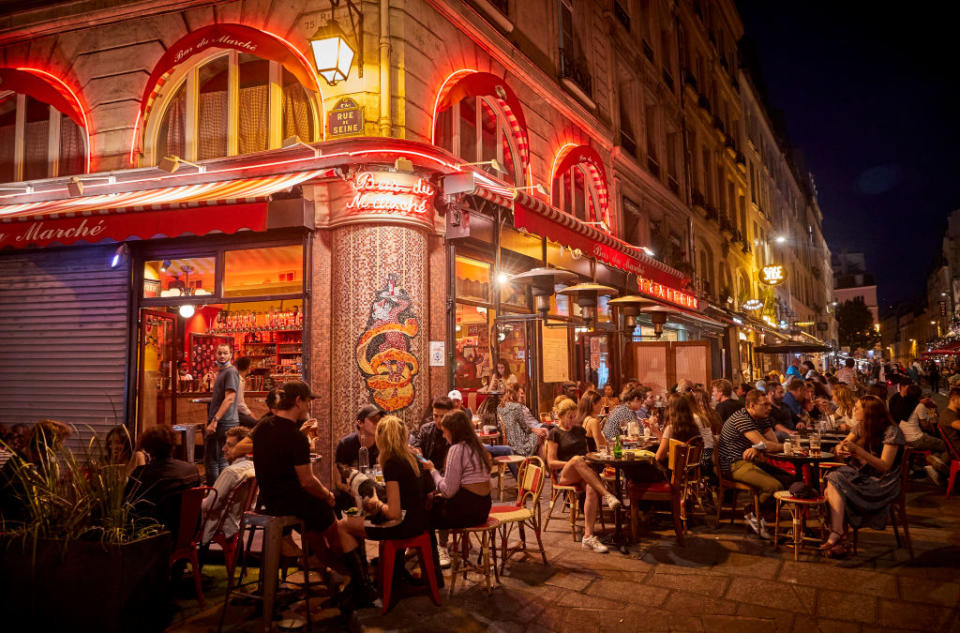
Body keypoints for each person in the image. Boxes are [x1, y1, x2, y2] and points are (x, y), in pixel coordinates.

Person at [251, 382, 360, 602]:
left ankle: (322, 562)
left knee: (315, 523)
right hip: (292, 501)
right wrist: (327, 495)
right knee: (333, 514)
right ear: (299, 400)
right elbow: (308, 482)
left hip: (270, 499)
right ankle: (353, 573)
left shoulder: (262, 427)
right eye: (308, 400)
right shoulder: (296, 436)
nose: (310, 404)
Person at [338, 415, 428, 604]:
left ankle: (362, 586)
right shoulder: (412, 457)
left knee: (343, 526)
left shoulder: (392, 463)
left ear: (382, 438)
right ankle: (369, 578)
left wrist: (376, 504)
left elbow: (393, 513)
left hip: (402, 526)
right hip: (419, 522)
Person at [821, 395, 906, 557]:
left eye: (858, 407)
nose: (854, 409)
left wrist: (858, 451)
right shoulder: (861, 426)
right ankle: (840, 534)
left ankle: (839, 535)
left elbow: (884, 466)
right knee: (834, 478)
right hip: (864, 475)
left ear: (869, 412)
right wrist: (840, 448)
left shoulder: (892, 431)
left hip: (882, 483)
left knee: (835, 486)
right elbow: (844, 443)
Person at [546, 397, 621, 553]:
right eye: (570, 417)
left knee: (592, 489)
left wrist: (587, 460)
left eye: (575, 416)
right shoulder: (554, 433)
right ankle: (607, 494)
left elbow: (586, 453)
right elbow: (551, 463)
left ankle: (588, 536)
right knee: (576, 459)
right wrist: (574, 463)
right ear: (560, 416)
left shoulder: (580, 430)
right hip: (565, 474)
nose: (573, 420)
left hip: (583, 470)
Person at [423, 410, 493, 566]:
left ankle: (431, 562)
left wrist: (432, 470)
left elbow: (448, 491)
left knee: (423, 515)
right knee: (432, 504)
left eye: (445, 432)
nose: (443, 436)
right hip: (483, 508)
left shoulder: (457, 449)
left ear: (453, 431)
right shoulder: (477, 447)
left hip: (467, 511)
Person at [718, 390, 789, 537]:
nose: (769, 408)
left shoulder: (762, 417)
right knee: (773, 486)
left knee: (789, 481)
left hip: (748, 460)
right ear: (751, 405)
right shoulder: (742, 418)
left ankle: (762, 515)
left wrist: (757, 448)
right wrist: (788, 446)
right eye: (765, 405)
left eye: (769, 404)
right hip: (733, 464)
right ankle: (753, 513)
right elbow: (769, 445)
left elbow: (772, 443)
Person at [128, 425, 201, 536]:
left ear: (148, 449)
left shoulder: (142, 474)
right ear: (172, 445)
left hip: (154, 536)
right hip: (189, 532)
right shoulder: (191, 470)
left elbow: (128, 505)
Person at [201, 426, 255, 544]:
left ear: (242, 448)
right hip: (238, 521)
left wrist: (197, 502)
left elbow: (210, 505)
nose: (223, 449)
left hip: (220, 524)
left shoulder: (231, 472)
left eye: (230, 445)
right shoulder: (254, 467)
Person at [898, 385, 948, 483]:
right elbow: (925, 425)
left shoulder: (904, 402)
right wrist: (931, 416)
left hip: (905, 437)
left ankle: (934, 463)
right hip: (917, 438)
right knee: (946, 446)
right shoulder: (920, 406)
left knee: (937, 446)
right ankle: (934, 468)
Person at [205, 343, 240, 484]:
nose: (222, 356)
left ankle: (214, 493)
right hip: (224, 420)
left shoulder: (230, 371)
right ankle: (221, 493)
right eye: (219, 353)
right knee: (221, 459)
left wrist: (215, 420)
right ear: (215, 354)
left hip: (223, 422)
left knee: (213, 460)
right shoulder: (222, 372)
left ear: (231, 355)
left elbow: (230, 398)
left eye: (225, 353)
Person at [654, 395, 703, 465]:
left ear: (672, 409)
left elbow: (658, 457)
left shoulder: (671, 428)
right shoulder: (695, 427)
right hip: (691, 469)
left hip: (673, 471)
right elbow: (686, 454)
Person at [499, 384, 544, 458]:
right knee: (548, 435)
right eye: (521, 393)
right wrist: (536, 430)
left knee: (549, 438)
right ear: (513, 394)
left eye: (523, 393)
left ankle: (543, 466)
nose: (523, 396)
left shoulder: (520, 406)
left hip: (534, 429)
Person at [234, 356, 258, 429]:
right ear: (247, 367)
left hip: (233, 413)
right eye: (250, 365)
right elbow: (239, 404)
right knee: (257, 424)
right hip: (234, 414)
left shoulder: (237, 378)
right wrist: (250, 414)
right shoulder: (239, 380)